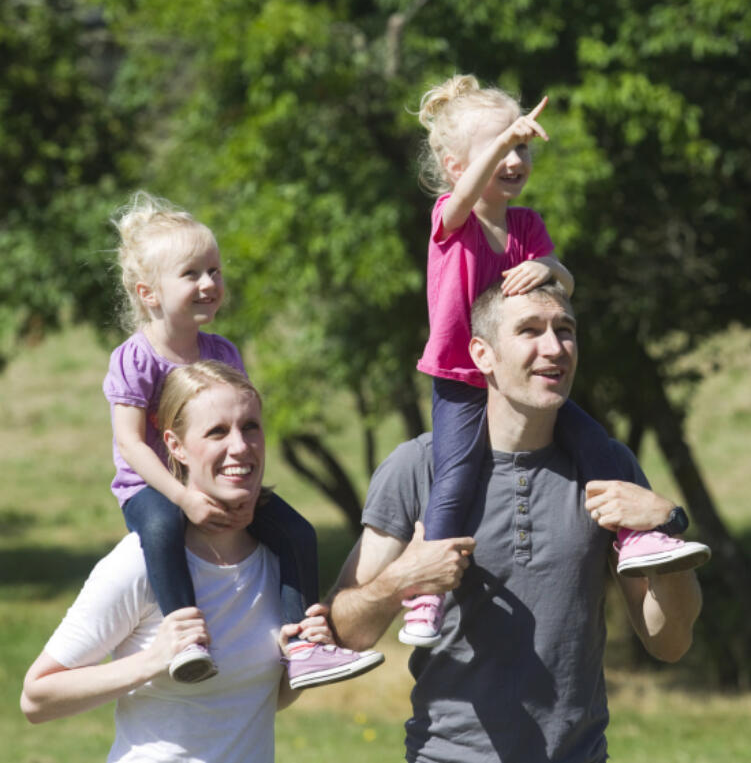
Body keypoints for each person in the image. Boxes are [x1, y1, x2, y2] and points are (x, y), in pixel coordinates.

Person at [328, 280, 704, 763]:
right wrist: (403, 577)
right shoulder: (416, 468)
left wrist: (668, 527)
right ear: (482, 354)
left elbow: (669, 642)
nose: (554, 348)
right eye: (530, 330)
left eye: (565, 330)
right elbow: (344, 631)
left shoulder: (608, 468)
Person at [404, 74, 709, 645]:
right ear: (454, 166)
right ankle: (427, 592)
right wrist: (498, 142)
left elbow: (563, 279)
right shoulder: (453, 216)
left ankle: (636, 538)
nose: (516, 157)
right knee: (456, 475)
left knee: (594, 442)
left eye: (522, 146)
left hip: (520, 381)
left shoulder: (525, 225)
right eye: (501, 147)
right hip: (460, 378)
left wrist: (550, 270)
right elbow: (463, 200)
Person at [21, 361, 383, 762]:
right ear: (175, 446)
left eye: (250, 427)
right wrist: (152, 661)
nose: (240, 447)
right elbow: (36, 699)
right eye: (216, 432)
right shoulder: (140, 564)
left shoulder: (281, 561)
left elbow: (257, 704)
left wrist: (291, 663)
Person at [102, 191, 380, 687]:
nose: (209, 284)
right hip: (156, 488)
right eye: (191, 274)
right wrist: (183, 496)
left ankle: (301, 644)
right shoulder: (135, 358)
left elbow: (241, 428)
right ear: (149, 293)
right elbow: (131, 443)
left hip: (216, 479)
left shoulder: (222, 351)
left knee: (298, 532)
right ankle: (185, 638)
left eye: (215, 271)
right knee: (163, 528)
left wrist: (249, 494)